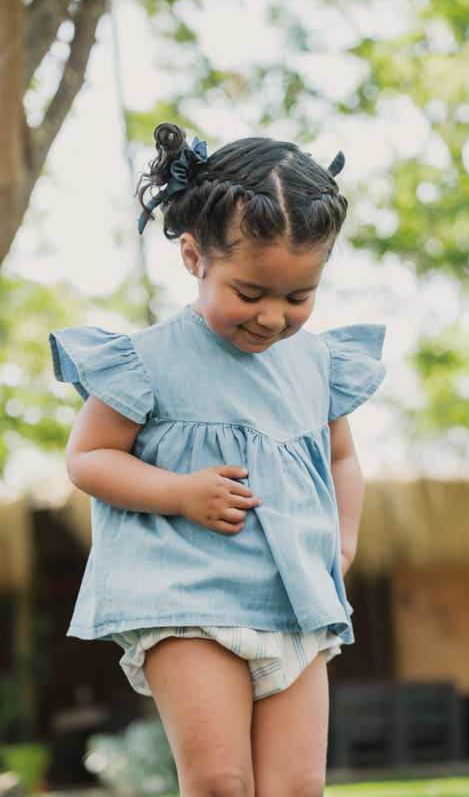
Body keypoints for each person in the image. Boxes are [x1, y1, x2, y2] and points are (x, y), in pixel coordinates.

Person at [49, 123, 385, 797]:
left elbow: (341, 457)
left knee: (297, 788)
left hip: (294, 600)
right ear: (192, 255)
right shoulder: (147, 361)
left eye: (297, 297)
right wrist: (177, 492)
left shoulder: (319, 363)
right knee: (219, 782)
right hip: (186, 594)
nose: (270, 318)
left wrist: (341, 543)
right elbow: (88, 458)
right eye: (250, 293)